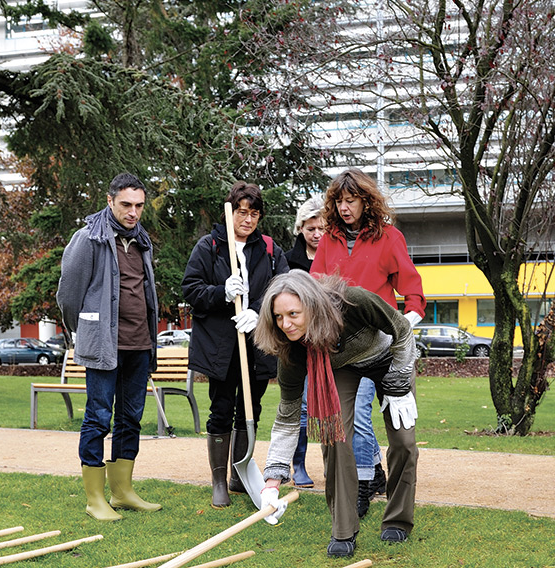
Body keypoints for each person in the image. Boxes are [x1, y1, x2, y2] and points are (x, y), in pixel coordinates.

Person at [254, 270, 419, 556]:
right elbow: (288, 417)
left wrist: (400, 383)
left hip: (388, 357)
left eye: (293, 313)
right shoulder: (291, 350)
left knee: (403, 440)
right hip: (339, 368)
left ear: (312, 304)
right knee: (335, 435)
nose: (286, 324)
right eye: (279, 317)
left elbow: (402, 329)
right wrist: (272, 480)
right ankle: (343, 530)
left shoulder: (353, 302)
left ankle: (398, 519)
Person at [311, 169, 426, 518]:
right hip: (342, 351)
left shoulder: (389, 237)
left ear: (366, 201)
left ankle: (397, 514)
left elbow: (414, 290)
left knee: (404, 442)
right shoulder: (329, 240)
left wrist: (407, 323)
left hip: (386, 348)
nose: (345, 208)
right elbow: (315, 288)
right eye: (339, 202)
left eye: (352, 201)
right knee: (341, 431)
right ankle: (354, 499)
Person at [56, 172, 161, 520]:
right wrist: (83, 331)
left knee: (131, 418)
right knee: (99, 417)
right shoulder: (89, 239)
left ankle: (123, 491)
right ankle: (94, 499)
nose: (133, 212)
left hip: (139, 344)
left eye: (139, 206)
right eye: (126, 205)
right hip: (104, 346)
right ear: (110, 201)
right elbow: (68, 294)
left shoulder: (141, 239)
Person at [181, 182, 289, 508]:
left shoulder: (269, 250)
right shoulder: (210, 246)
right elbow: (191, 289)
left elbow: (282, 287)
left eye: (254, 213)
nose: (248, 219)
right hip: (221, 349)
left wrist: (259, 312)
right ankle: (218, 482)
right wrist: (221, 292)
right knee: (222, 410)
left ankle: (239, 474)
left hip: (258, 345)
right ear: (231, 211)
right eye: (242, 211)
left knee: (250, 409)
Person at [284, 196, 326, 489]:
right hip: (298, 344)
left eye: (321, 227)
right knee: (299, 406)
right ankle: (297, 464)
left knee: (329, 403)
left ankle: (334, 463)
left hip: (327, 341)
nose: (316, 233)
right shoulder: (288, 261)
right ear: (301, 229)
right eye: (310, 228)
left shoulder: (336, 255)